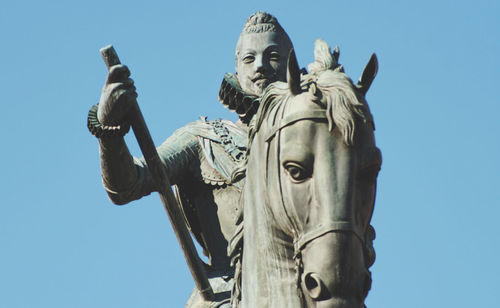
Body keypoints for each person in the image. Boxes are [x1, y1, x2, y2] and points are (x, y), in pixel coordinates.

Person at [88, 12, 294, 308]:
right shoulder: (201, 139)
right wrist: (108, 130)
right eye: (249, 59)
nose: (260, 66)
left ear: (292, 66)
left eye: (272, 56)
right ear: (236, 68)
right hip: (226, 296)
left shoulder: (312, 140)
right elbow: (127, 185)